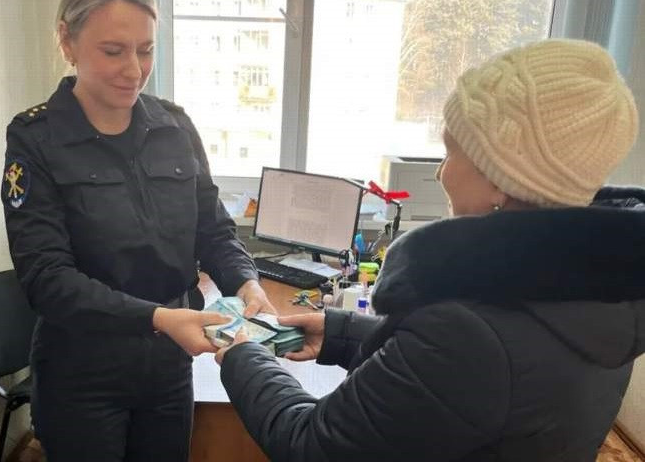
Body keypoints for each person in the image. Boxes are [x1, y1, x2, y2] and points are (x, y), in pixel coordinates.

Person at [214, 39, 645, 461]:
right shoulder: (607, 283)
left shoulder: (466, 332)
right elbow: (487, 376)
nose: (440, 173)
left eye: (450, 152)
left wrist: (243, 356)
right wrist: (342, 334)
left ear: (500, 179)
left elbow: (313, 445)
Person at [1, 0, 274, 462]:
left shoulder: (175, 128)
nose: (134, 70)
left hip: (167, 370)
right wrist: (158, 317)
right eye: (113, 51)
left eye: (146, 50)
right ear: (67, 41)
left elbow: (214, 230)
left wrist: (246, 282)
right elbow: (47, 279)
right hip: (82, 375)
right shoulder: (35, 139)